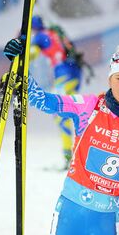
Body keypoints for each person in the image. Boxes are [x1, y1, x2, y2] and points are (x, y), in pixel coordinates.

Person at [3, 39, 119, 235]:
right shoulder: (89, 106)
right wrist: (19, 63)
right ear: (110, 79)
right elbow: (41, 99)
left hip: (108, 220)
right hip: (71, 212)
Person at [31, 15, 85, 168]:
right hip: (75, 73)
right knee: (71, 112)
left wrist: (21, 55)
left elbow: (32, 53)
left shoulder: (40, 36)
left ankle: (71, 158)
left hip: (64, 75)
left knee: (61, 114)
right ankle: (75, 156)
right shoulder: (55, 33)